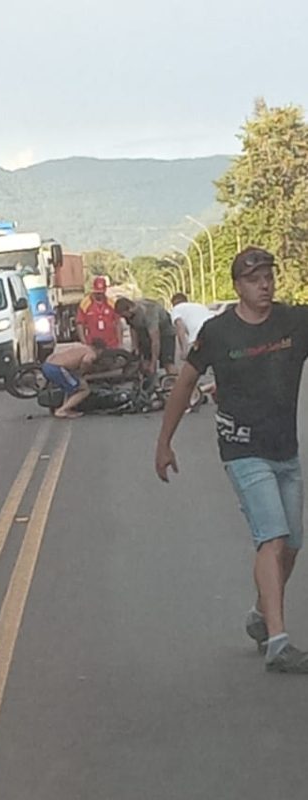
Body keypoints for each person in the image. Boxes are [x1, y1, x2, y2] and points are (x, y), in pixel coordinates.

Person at [155, 246, 308, 674]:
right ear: (237, 286)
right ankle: (279, 641)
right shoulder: (219, 333)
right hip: (242, 450)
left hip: (286, 451)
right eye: (255, 279)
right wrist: (164, 442)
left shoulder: (295, 321)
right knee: (272, 537)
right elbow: (185, 384)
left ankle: (261, 617)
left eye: (269, 276)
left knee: (292, 545)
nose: (265, 285)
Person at [115, 297, 177, 379]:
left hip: (165, 333)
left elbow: (155, 341)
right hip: (144, 332)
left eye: (123, 315)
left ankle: (176, 382)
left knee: (167, 363)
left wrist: (153, 363)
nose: (123, 318)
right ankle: (150, 384)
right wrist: (135, 347)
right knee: (144, 362)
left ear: (129, 309)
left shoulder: (149, 312)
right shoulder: (129, 314)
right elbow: (133, 327)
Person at [41, 340, 101, 418]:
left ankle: (66, 409)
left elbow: (55, 352)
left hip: (47, 365)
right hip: (58, 369)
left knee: (70, 386)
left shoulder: (79, 347)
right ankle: (61, 410)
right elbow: (86, 361)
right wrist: (82, 372)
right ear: (99, 350)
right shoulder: (91, 352)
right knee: (83, 389)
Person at [76, 276, 122, 349]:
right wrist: (84, 342)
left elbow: (118, 323)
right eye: (97, 293)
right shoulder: (85, 304)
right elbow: (80, 324)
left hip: (111, 344)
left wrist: (120, 343)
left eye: (101, 293)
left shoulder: (111, 304)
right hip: (92, 344)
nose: (99, 295)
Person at [170, 293, 212, 360]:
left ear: (173, 304)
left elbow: (180, 328)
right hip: (214, 329)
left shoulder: (176, 309)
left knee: (193, 364)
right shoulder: (200, 306)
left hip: (199, 333)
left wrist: (184, 350)